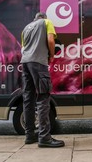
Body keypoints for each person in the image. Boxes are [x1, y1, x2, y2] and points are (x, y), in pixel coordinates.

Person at [20, 12, 65, 148]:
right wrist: (51, 56)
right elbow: (51, 40)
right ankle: (44, 137)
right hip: (39, 63)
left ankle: (29, 135)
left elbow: (22, 49)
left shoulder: (26, 28)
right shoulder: (46, 23)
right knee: (43, 98)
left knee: (28, 99)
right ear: (44, 17)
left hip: (25, 63)